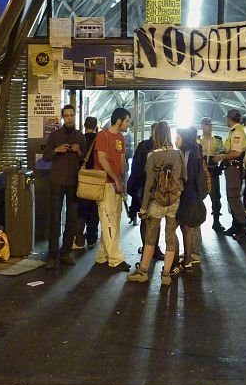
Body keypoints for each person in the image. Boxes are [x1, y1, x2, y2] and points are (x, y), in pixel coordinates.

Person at [127, 121, 187, 286]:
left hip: (156, 202)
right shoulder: (179, 154)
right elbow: (184, 177)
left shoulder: (152, 155)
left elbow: (149, 185)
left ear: (156, 135)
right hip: (174, 201)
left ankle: (143, 272)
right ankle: (166, 275)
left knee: (150, 238)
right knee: (170, 237)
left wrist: (143, 207)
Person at [42, 104, 86, 270]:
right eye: (66, 115)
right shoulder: (55, 135)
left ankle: (65, 252)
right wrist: (56, 150)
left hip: (73, 182)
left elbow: (85, 159)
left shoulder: (80, 136)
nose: (69, 118)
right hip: (57, 181)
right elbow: (46, 157)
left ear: (75, 116)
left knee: (72, 218)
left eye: (71, 115)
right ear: (63, 117)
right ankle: (52, 255)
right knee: (55, 218)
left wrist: (78, 151)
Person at [93, 107, 131, 272]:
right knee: (109, 221)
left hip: (116, 184)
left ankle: (102, 255)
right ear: (119, 121)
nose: (128, 124)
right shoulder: (103, 135)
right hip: (105, 184)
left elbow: (121, 161)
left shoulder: (120, 138)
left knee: (112, 220)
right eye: (127, 121)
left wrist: (121, 180)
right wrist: (116, 178)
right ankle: (116, 259)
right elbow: (102, 160)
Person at [212, 109, 246, 240]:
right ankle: (236, 225)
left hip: (234, 168)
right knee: (231, 197)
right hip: (231, 168)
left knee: (234, 197)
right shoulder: (234, 131)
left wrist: (221, 156)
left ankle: (243, 227)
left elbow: (236, 153)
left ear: (229, 118)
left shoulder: (237, 132)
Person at [177, 126, 206, 270]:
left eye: (178, 138)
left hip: (188, 192)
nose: (176, 140)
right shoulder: (196, 150)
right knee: (190, 224)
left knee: (187, 226)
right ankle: (190, 254)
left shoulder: (189, 153)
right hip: (194, 192)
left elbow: (187, 175)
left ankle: (191, 255)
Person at [75, 116, 99, 249]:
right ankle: (91, 239)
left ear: (85, 126)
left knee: (81, 209)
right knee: (94, 210)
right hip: (95, 179)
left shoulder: (79, 139)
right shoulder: (99, 140)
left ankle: (79, 239)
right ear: (96, 126)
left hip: (82, 178)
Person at [197, 117, 225, 232]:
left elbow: (223, 152)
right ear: (202, 126)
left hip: (213, 171)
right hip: (201, 172)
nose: (209, 127)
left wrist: (220, 164)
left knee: (216, 198)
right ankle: (197, 221)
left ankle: (216, 222)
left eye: (210, 125)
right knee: (198, 197)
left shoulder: (218, 140)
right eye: (206, 125)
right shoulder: (197, 140)